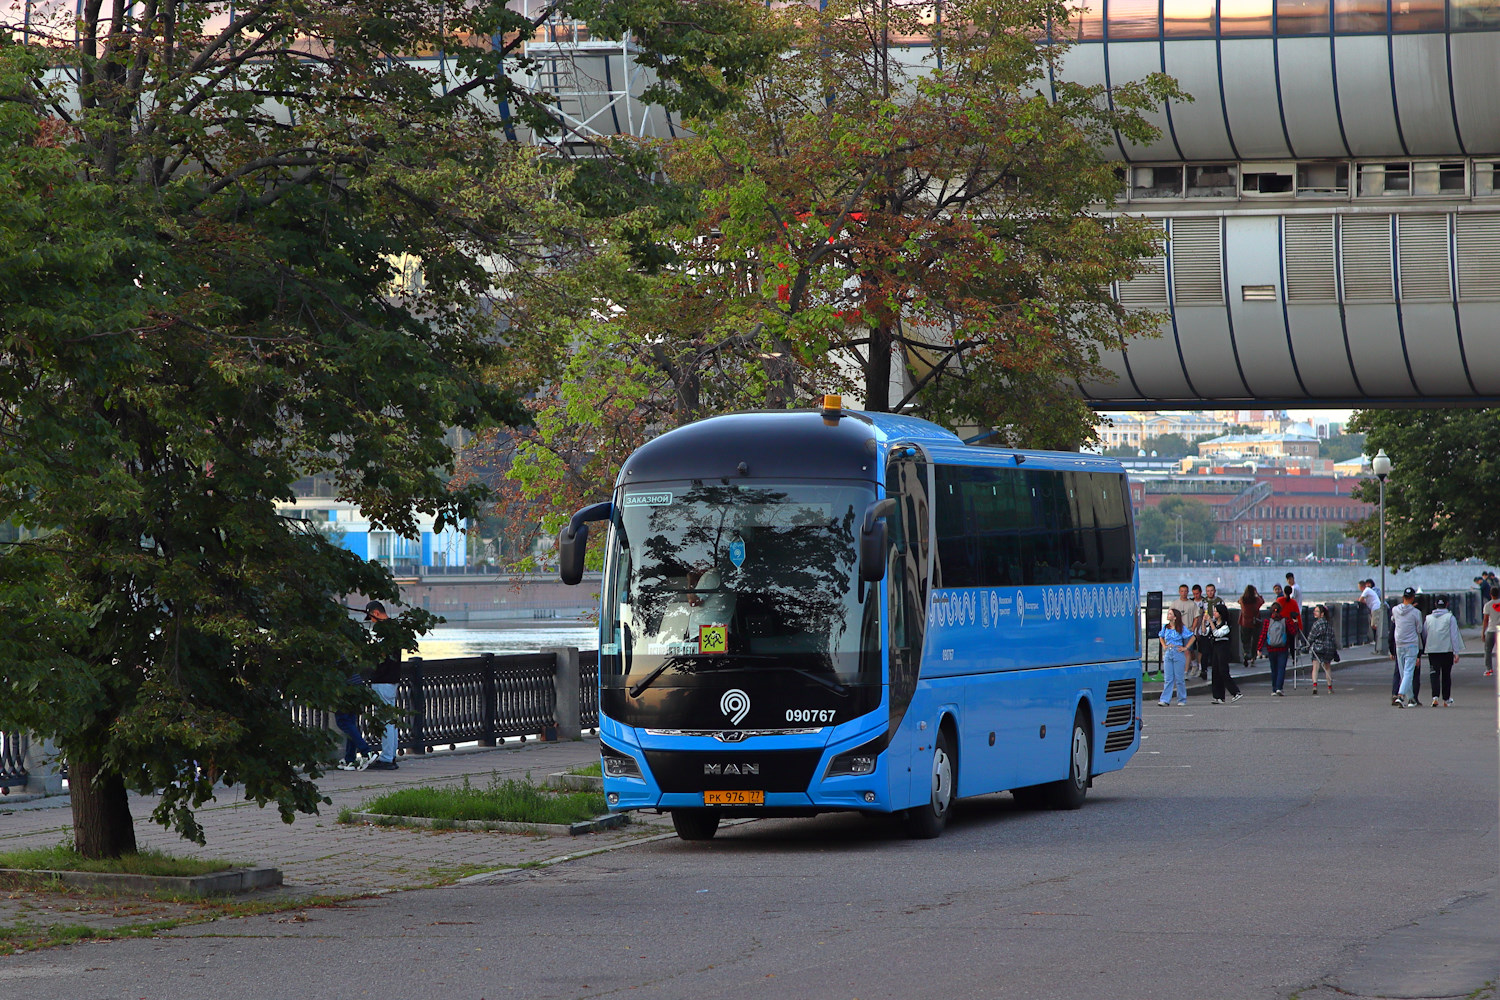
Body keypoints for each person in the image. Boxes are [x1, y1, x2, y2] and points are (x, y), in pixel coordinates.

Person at [364, 600, 403, 770]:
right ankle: (391, 756)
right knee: (391, 721)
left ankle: (387, 758)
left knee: (385, 721)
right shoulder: (396, 628)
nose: (371, 622)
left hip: (382, 679)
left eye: (371, 617)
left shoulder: (383, 630)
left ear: (376, 613)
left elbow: (380, 654)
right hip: (392, 679)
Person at [1423, 597, 1464, 707]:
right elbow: (1454, 635)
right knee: (1446, 675)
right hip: (1446, 650)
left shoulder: (1428, 618)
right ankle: (1446, 699)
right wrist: (1456, 652)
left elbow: (1424, 633)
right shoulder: (1450, 617)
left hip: (1432, 650)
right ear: (1447, 604)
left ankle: (1435, 696)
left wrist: (1425, 646)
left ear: (1435, 604)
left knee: (1434, 673)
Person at [1388, 587, 1425, 708]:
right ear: (1413, 598)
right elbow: (1419, 629)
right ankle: (1401, 695)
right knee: (1409, 671)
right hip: (1411, 644)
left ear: (1403, 597)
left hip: (1399, 643)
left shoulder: (1395, 610)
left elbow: (1393, 620)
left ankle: (1411, 698)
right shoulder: (1416, 613)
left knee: (1403, 672)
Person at [334, 675, 375, 771]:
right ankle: (350, 759)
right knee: (350, 723)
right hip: (356, 683)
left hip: (345, 686)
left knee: (343, 721)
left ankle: (366, 752)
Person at [1158, 608, 1194, 707]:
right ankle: (1165, 699)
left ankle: (1182, 699)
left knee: (1179, 678)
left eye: (1170, 614)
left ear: (1175, 617)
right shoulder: (1165, 627)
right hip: (1168, 652)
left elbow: (1192, 636)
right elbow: (1161, 636)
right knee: (1168, 678)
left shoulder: (1181, 628)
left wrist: (1185, 647)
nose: (1168, 615)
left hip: (1178, 652)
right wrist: (1164, 646)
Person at [1208, 603, 1242, 704]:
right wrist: (1206, 622)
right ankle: (1218, 696)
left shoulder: (1226, 625)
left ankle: (1235, 692)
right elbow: (1205, 632)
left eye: (1216, 611)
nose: (1214, 613)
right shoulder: (1214, 623)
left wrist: (1210, 621)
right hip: (1215, 647)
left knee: (1223, 670)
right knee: (1215, 671)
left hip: (1223, 648)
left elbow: (1217, 633)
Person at [1257, 602, 1293, 696]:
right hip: (1283, 648)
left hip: (1271, 649)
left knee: (1274, 669)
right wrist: (1295, 622)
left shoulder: (1267, 622)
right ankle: (1279, 688)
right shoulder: (1285, 620)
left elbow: (1263, 635)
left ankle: (1274, 689)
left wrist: (1259, 648)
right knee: (1281, 668)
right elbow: (1293, 632)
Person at [1305, 604, 1338, 695]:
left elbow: (1311, 637)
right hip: (1329, 648)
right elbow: (1333, 637)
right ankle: (1329, 687)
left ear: (1322, 614)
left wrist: (1307, 646)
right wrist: (1334, 650)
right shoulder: (1329, 624)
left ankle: (1315, 685)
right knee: (1327, 667)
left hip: (1318, 648)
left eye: (1316, 611)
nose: (1314, 612)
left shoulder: (1316, 624)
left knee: (1315, 667)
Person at [1238, 585, 1264, 666]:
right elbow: (1262, 601)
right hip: (1255, 623)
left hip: (1244, 623)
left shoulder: (1242, 599)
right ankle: (1253, 658)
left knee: (1245, 640)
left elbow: (1238, 601)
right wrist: (1257, 594)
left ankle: (1246, 653)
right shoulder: (1256, 600)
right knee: (1254, 641)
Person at [1359, 579, 1381, 648]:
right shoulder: (1368, 590)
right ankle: (1378, 640)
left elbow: (1360, 599)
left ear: (1361, 587)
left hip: (1375, 608)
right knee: (1374, 624)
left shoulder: (1366, 590)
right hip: (1375, 608)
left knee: (1374, 625)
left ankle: (1379, 640)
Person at [1484, 585, 1500, 678]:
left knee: (1488, 650)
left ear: (1490, 594)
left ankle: (1489, 669)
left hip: (1491, 630)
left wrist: (1483, 632)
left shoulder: (1488, 605)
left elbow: (1485, 620)